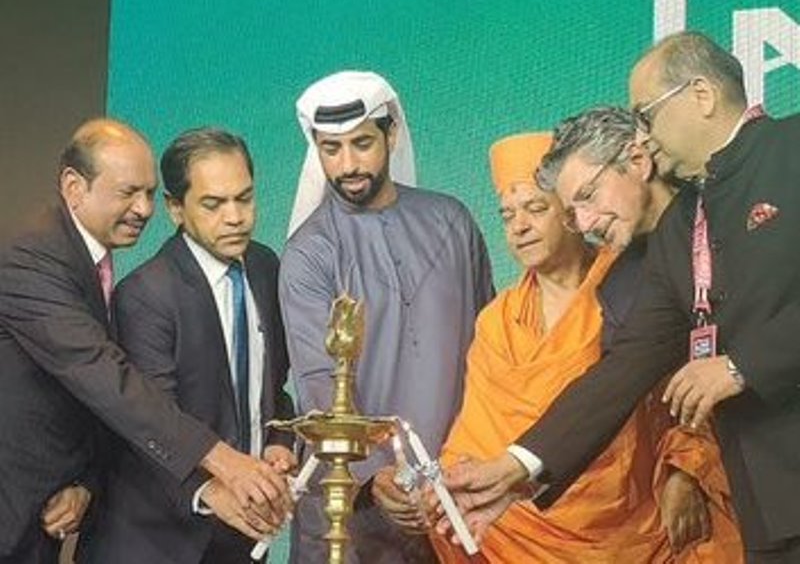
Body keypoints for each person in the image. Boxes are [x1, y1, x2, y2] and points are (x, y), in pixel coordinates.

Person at [447, 32, 800, 562]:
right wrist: (518, 465)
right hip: (768, 506)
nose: (643, 135)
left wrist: (742, 365)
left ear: (701, 95)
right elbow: (627, 365)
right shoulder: (683, 224)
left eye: (646, 114)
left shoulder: (792, 147)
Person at [432, 130, 741, 563]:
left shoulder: (636, 280)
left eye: (536, 208)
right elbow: (476, 432)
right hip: (520, 519)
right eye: (507, 215)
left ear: (571, 214)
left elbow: (692, 377)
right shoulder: (497, 321)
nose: (519, 227)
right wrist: (453, 484)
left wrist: (687, 469)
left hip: (637, 518)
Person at [0, 119, 290, 564]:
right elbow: (108, 382)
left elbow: (271, 388)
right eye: (128, 192)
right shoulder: (34, 259)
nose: (143, 209)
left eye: (149, 193)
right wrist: (223, 463)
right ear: (74, 187)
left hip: (56, 509)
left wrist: (85, 482)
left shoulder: (264, 268)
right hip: (31, 513)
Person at [280, 70, 494, 563]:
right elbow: (317, 382)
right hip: (354, 505)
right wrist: (375, 474)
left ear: (391, 135)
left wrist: (472, 467)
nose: (348, 165)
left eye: (361, 144)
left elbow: (490, 353)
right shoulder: (309, 252)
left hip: (453, 494)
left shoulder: (452, 222)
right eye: (331, 149)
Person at [80, 128, 295, 563]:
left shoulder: (265, 267)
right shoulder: (145, 295)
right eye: (213, 204)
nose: (235, 217)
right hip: (154, 542)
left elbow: (273, 389)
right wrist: (209, 491)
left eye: (244, 198)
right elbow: (148, 427)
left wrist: (279, 440)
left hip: (241, 538)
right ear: (175, 208)